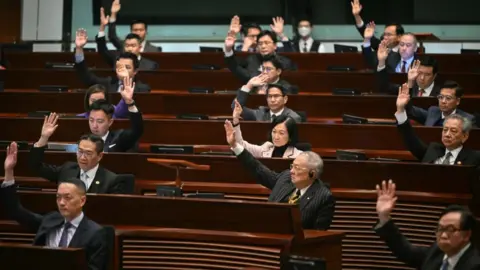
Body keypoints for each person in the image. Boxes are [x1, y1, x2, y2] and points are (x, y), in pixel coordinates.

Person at [1, 142, 108, 269]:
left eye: (67, 198)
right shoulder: (50, 221)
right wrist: (8, 172)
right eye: (58, 197)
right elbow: (15, 211)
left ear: (82, 201)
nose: (62, 203)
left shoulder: (96, 233)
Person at [225, 122, 334, 229]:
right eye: (292, 166)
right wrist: (235, 145)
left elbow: (319, 235)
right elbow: (257, 168)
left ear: (312, 174)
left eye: (297, 168)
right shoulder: (286, 177)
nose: (292, 171)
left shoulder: (323, 197)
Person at [374, 180, 480, 269]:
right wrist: (384, 216)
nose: (443, 235)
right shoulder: (437, 252)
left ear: (466, 235)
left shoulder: (475, 264)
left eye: (450, 229)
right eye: (440, 229)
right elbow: (407, 252)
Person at [394, 84, 480, 165]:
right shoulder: (433, 150)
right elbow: (410, 139)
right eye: (445, 130)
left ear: (464, 136)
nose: (447, 134)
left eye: (453, 131)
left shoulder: (474, 157)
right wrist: (401, 109)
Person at [224, 15, 297, 84]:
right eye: (260, 43)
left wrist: (281, 35)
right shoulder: (251, 60)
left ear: (275, 46)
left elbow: (293, 58)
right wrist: (229, 48)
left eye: (267, 43)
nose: (263, 46)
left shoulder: (283, 61)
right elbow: (234, 66)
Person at [74, 28, 151, 93]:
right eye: (120, 66)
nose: (123, 70)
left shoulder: (143, 88)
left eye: (127, 67)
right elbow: (87, 78)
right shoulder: (108, 83)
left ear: (135, 71)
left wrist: (126, 83)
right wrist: (79, 48)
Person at [228, 99, 302, 158]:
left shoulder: (298, 155)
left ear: (290, 136)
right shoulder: (266, 148)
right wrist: (236, 120)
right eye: (274, 131)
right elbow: (242, 146)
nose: (276, 137)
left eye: (281, 133)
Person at [396, 82, 475, 127]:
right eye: (441, 97)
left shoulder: (467, 119)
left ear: (457, 101)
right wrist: (404, 103)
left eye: (448, 98)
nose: (443, 101)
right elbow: (412, 111)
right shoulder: (433, 111)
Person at [233, 77, 302, 122]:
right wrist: (248, 86)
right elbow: (235, 107)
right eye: (269, 96)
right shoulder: (260, 113)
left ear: (285, 99)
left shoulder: (293, 118)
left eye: (276, 96)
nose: (272, 100)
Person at [377, 56, 441, 97]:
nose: (422, 78)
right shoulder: (406, 87)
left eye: (427, 75)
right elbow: (383, 86)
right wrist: (381, 62)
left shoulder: (441, 93)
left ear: (434, 76)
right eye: (419, 73)